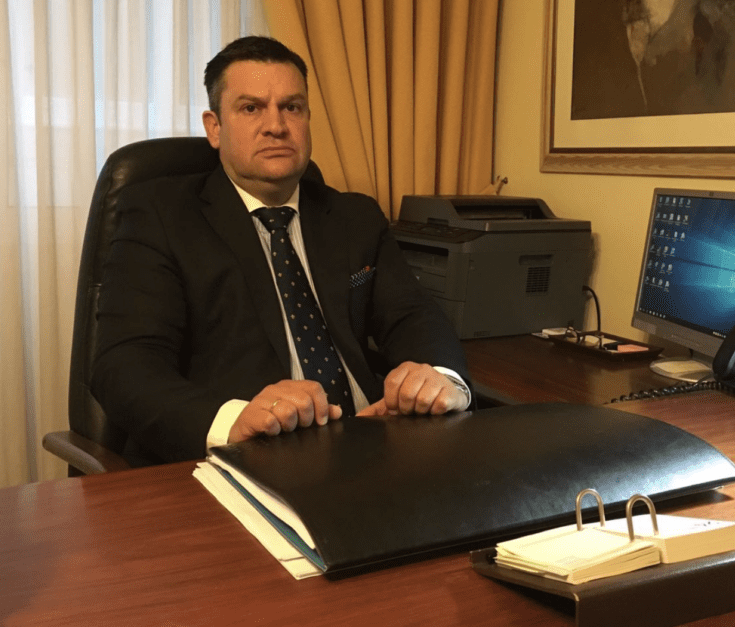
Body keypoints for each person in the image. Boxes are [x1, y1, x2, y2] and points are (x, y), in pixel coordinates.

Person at [91, 36, 472, 464]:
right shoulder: (159, 215)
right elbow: (124, 365)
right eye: (251, 108)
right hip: (248, 457)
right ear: (214, 127)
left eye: (292, 107)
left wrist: (441, 378)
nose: (276, 125)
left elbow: (413, 315)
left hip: (370, 443)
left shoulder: (355, 216)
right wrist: (232, 422)